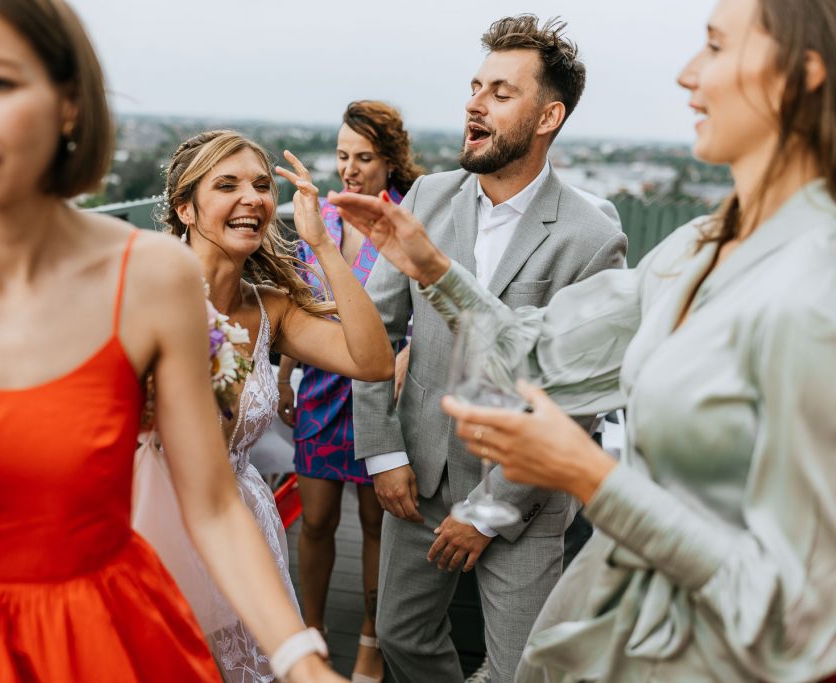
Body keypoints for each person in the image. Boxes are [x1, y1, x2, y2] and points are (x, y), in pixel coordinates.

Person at [0, 2, 348, 682]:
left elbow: (213, 506)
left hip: (97, 631)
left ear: (68, 103)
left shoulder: (152, 276)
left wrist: (301, 660)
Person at [331, 0, 836, 680]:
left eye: (716, 46)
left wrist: (589, 476)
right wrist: (436, 271)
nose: (688, 74)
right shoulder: (696, 246)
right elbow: (542, 355)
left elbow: (795, 612)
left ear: (802, 73)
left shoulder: (815, 285)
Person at [348, 15, 627, 683]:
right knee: (401, 637)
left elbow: (575, 399)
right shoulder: (427, 196)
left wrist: (488, 512)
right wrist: (385, 453)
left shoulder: (593, 237)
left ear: (548, 116)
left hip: (523, 499)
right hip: (417, 480)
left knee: (520, 671)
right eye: (475, 87)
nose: (475, 103)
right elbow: (374, 329)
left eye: (501, 92)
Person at [133, 128, 393, 681]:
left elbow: (373, 361)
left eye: (260, 185)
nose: (251, 198)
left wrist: (323, 245)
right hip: (148, 525)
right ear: (185, 208)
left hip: (240, 521)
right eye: (227, 185)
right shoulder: (140, 295)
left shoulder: (272, 308)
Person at [275, 100, 424, 683]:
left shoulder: (408, 220)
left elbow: (427, 308)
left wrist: (409, 355)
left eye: (363, 157)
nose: (350, 169)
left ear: (389, 161)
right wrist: (284, 375)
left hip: (382, 392)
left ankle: (371, 639)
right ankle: (312, 631)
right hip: (319, 389)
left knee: (374, 523)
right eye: (342, 156)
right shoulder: (323, 219)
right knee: (314, 521)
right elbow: (301, 303)